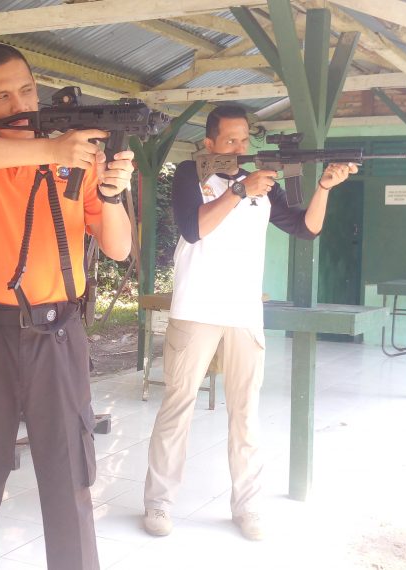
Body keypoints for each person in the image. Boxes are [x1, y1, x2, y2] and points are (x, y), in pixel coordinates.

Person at [0, 45, 133, 570]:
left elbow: (118, 248)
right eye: (2, 95)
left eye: (26, 89)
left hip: (59, 335)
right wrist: (52, 150)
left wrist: (111, 194)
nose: (19, 102)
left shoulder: (77, 160)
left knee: (70, 483)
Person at [143, 105, 357, 540]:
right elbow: (192, 229)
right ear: (209, 145)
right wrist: (238, 191)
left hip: (243, 313)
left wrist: (325, 187)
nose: (240, 149)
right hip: (195, 308)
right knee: (177, 409)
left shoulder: (264, 183)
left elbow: (305, 229)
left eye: (245, 141)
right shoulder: (191, 174)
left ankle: (248, 507)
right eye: (230, 141)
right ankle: (159, 503)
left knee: (246, 415)